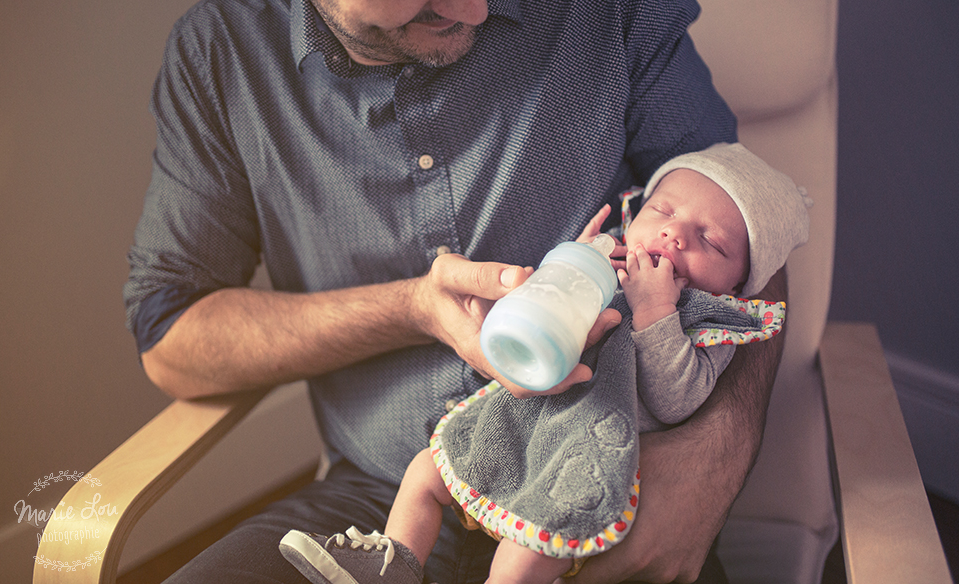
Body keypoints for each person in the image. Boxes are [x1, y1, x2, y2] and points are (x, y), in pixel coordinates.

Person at [124, 0, 788, 581]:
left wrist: (714, 460)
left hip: (601, 483)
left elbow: (743, 234)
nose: (476, 3)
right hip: (382, 497)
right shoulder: (220, 56)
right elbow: (171, 341)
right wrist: (410, 309)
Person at [276, 143, 811, 584]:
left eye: (710, 241)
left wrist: (656, 313)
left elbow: (676, 402)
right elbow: (540, 317)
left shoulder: (705, 323)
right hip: (523, 428)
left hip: (583, 461)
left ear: (739, 284)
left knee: (524, 556)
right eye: (664, 212)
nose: (675, 235)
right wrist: (567, 270)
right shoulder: (607, 263)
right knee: (425, 472)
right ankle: (393, 563)